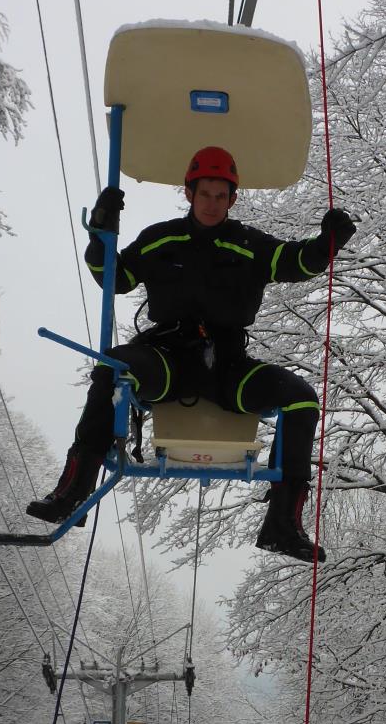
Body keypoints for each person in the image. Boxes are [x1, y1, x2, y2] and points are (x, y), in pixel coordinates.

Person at [27, 146, 356, 562]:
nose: (213, 203)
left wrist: (328, 241)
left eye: (222, 196)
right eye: (205, 194)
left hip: (228, 365)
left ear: (232, 199)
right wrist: (99, 237)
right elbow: (115, 278)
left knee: (302, 396)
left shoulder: (249, 243)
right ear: (189, 192)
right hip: (166, 357)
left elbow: (297, 262)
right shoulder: (161, 238)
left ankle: (282, 525)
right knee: (115, 365)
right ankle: (72, 492)